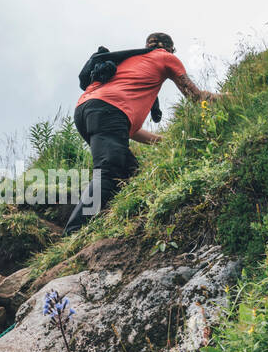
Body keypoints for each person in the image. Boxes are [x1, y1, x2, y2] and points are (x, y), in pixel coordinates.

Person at [64, 31, 217, 234]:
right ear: (170, 49)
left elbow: (130, 130)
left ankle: (106, 228)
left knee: (130, 173)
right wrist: (233, 98)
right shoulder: (166, 58)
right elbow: (196, 96)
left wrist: (166, 141)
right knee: (110, 171)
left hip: (86, 110)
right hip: (108, 111)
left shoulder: (131, 61)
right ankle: (73, 233)